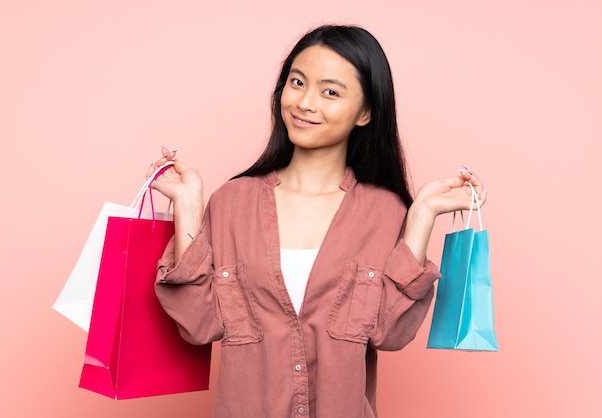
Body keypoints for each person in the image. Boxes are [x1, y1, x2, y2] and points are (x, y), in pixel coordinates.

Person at [148, 24, 486, 418]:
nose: (305, 103)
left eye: (330, 92)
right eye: (297, 82)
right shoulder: (231, 202)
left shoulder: (387, 212)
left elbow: (390, 334)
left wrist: (422, 214)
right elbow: (199, 326)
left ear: (365, 112)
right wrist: (188, 205)